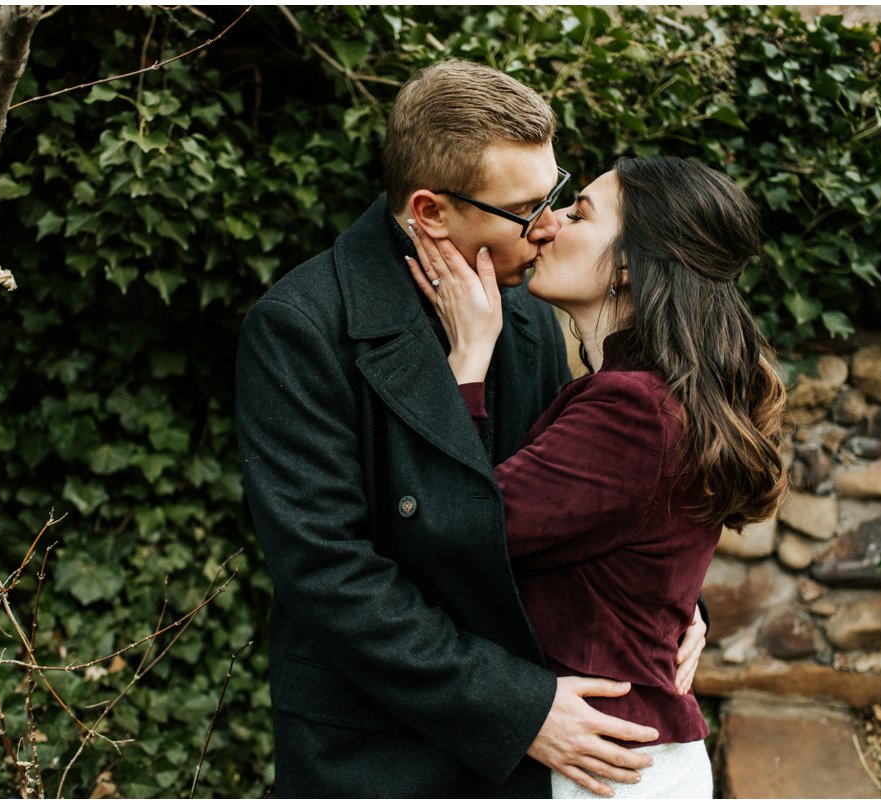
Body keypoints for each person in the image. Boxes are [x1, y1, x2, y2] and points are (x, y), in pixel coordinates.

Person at [236, 60, 707, 798]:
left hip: (536, 743)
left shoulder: (525, 307)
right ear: (430, 211)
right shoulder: (301, 326)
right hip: (380, 744)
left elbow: (577, 497)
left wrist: (671, 600)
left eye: (555, 194)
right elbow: (330, 574)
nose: (550, 227)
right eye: (527, 208)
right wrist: (516, 709)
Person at [406, 155, 789, 798]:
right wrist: (685, 612)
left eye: (578, 212)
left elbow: (464, 530)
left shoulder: (635, 407)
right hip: (615, 757)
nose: (548, 223)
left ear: (630, 264)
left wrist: (468, 362)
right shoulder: (643, 394)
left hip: (605, 768)